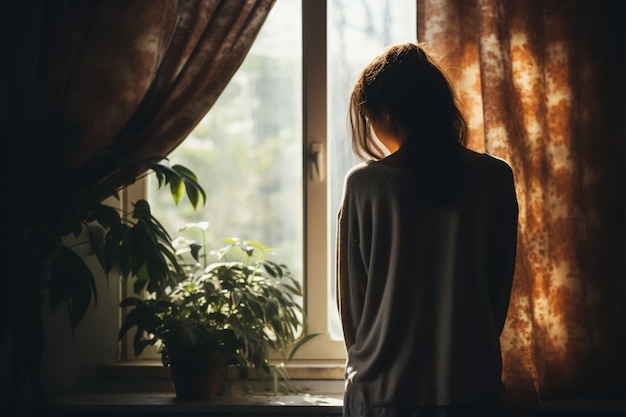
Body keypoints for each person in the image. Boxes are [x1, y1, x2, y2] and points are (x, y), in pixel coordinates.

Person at [336, 42, 518, 417]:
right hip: (469, 386)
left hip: (382, 389)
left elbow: (353, 305)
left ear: (386, 113)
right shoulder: (495, 178)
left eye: (369, 118)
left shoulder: (365, 186)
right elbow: (496, 293)